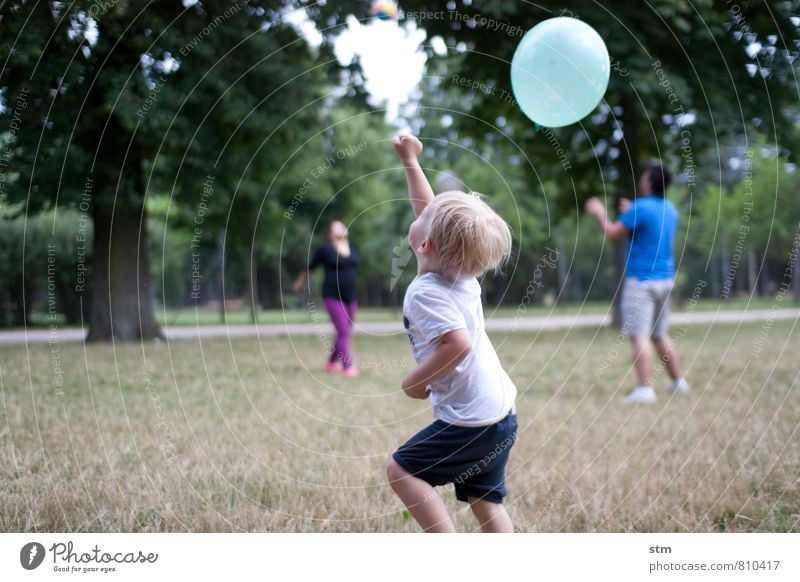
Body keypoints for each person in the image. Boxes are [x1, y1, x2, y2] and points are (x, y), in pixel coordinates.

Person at [386, 135, 518, 533]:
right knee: (485, 500)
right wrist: (410, 160)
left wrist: (416, 381)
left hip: (471, 422)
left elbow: (456, 343)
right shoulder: (464, 275)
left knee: (401, 470)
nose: (419, 211)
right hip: (501, 414)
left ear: (423, 243)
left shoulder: (425, 291)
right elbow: (428, 210)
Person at [585, 163, 690, 404]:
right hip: (665, 280)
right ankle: (677, 382)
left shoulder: (640, 208)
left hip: (641, 281)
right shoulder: (670, 209)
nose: (641, 179)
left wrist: (600, 214)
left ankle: (644, 391)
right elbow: (648, 225)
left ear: (650, 182)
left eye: (644, 176)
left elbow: (612, 234)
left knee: (639, 335)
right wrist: (632, 211)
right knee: (660, 334)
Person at [293, 221, 360, 377]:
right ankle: (347, 366)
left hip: (351, 295)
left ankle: (331, 363)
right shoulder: (325, 249)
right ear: (330, 233)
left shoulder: (354, 248)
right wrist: (299, 283)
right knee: (343, 330)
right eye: (337, 226)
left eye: (343, 226)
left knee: (346, 330)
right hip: (332, 294)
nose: (342, 227)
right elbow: (310, 268)